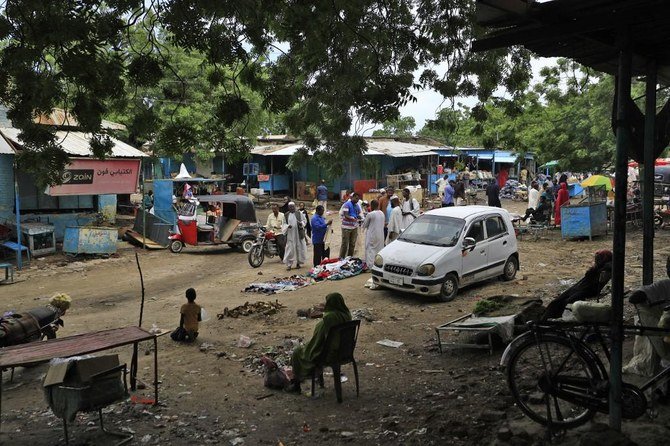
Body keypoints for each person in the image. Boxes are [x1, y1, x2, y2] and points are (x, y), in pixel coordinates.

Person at [287, 293, 352, 393]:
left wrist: (310, 347)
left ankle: (296, 384)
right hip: (345, 350)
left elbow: (323, 341)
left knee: (297, 352)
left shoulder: (329, 318)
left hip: (329, 353)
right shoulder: (346, 314)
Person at [543, 250, 612, 320]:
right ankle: (545, 319)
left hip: (588, 289)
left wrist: (595, 268)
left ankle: (552, 319)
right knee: (556, 301)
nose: (596, 260)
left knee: (565, 302)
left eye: (598, 258)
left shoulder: (607, 267)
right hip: (582, 286)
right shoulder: (602, 266)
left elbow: (591, 277)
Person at [362, 199, 385, 269]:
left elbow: (365, 225)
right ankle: (378, 264)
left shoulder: (370, 214)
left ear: (371, 206)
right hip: (380, 235)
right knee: (379, 249)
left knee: (370, 250)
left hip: (372, 235)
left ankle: (370, 266)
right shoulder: (382, 213)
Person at [284, 202, 307, 270]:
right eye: (290, 207)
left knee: (299, 249)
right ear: (288, 208)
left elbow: (304, 221)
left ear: (295, 206)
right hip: (290, 235)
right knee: (290, 250)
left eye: (293, 206)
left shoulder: (299, 213)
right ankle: (289, 265)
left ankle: (298, 263)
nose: (292, 208)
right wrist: (287, 226)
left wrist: (301, 224)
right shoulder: (286, 215)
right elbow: (283, 224)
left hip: (298, 234)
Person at [339, 192, 361, 258]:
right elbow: (346, 215)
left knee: (352, 244)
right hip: (346, 227)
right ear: (352, 197)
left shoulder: (357, 206)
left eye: (358, 199)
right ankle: (341, 258)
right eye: (356, 198)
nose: (357, 200)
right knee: (345, 244)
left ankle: (349, 258)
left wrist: (360, 217)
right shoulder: (346, 204)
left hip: (354, 227)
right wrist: (352, 218)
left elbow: (358, 214)